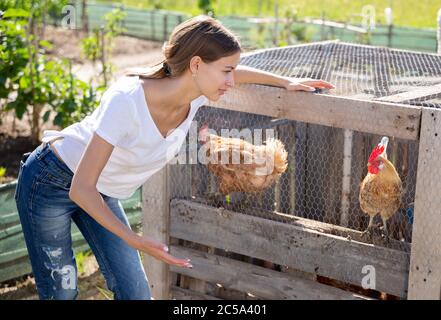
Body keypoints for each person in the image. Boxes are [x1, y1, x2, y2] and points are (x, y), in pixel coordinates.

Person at [14, 15, 334, 300]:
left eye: (232, 70)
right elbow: (80, 189)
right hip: (51, 182)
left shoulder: (196, 95)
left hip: (101, 189)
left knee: (135, 291)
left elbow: (239, 70)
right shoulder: (126, 102)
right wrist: (135, 240)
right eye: (226, 71)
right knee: (62, 289)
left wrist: (286, 82)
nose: (232, 81)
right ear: (195, 65)